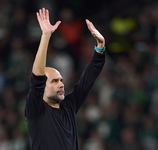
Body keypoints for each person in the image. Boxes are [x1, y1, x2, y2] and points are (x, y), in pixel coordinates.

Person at [24, 8, 105, 150]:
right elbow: (37, 77)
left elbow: (87, 80)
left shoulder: (69, 107)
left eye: (61, 80)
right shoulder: (35, 111)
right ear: (42, 87)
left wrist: (100, 47)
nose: (61, 84)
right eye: (54, 81)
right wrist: (46, 36)